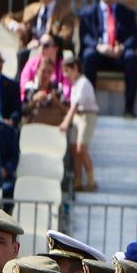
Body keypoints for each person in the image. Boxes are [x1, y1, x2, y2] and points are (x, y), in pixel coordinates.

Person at [79, 0, 137, 119]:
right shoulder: (88, 13)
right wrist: (99, 47)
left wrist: (123, 47)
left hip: (118, 56)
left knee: (132, 57)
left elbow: (135, 38)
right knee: (88, 56)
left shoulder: (128, 13)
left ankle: (129, 108)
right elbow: (85, 37)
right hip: (99, 55)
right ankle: (89, 105)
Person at [4, 0, 78, 65]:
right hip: (30, 50)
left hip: (52, 52)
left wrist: (44, 42)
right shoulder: (31, 9)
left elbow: (66, 35)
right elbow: (6, 18)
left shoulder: (64, 12)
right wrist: (15, 26)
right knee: (21, 55)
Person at [58, 57, 97, 191]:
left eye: (67, 70)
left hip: (87, 115)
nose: (65, 74)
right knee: (75, 150)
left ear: (75, 68)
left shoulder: (83, 83)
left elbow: (74, 105)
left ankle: (91, 180)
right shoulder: (75, 83)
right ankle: (78, 180)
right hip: (77, 116)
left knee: (82, 149)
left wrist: (66, 121)